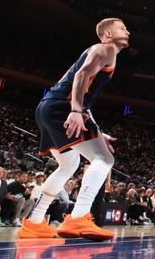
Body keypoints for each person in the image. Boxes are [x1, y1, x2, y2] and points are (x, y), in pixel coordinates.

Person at [18, 18, 128, 241]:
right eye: (122, 28)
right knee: (104, 159)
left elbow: (85, 96)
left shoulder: (99, 51)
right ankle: (78, 217)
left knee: (69, 164)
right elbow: (81, 76)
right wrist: (76, 111)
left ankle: (35, 222)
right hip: (63, 107)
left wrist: (95, 128)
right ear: (107, 33)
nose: (128, 31)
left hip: (48, 107)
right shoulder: (106, 49)